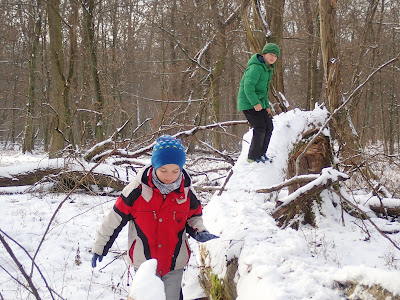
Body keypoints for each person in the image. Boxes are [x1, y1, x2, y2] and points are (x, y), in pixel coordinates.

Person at [91, 135, 218, 300]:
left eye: (175, 170)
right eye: (163, 170)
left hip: (174, 262)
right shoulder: (136, 190)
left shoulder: (186, 191)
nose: (169, 175)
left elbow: (194, 217)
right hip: (144, 262)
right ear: (155, 165)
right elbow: (113, 220)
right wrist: (100, 247)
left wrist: (199, 231)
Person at [237, 42, 280, 163]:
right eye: (271, 54)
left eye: (275, 56)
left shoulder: (267, 69)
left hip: (258, 103)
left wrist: (266, 106)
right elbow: (248, 87)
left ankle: (261, 154)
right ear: (264, 54)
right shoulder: (256, 67)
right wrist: (255, 103)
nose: (273, 58)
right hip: (248, 102)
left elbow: (264, 91)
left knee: (269, 126)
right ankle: (253, 156)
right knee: (260, 127)